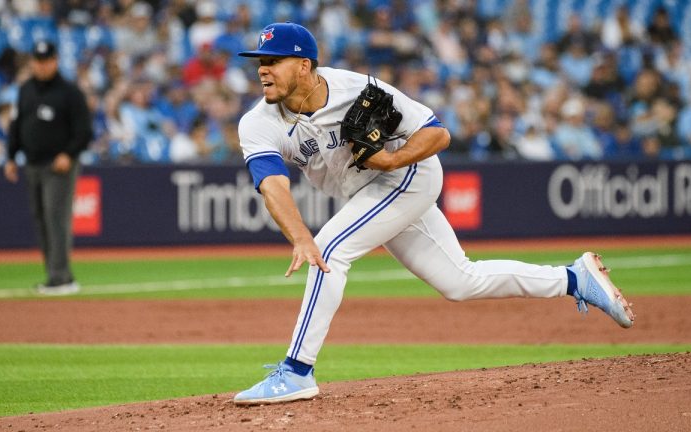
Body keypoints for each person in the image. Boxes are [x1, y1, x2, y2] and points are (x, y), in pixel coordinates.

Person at [232, 22, 635, 405]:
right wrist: (299, 237)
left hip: (409, 177)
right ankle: (574, 278)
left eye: (273, 60)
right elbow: (272, 184)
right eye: (260, 63)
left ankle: (297, 370)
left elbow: (438, 131)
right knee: (460, 281)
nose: (263, 70)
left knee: (330, 251)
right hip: (364, 193)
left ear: (304, 66)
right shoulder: (258, 123)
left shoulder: (356, 88)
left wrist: (393, 160)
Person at [4, 41, 92, 295]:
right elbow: (16, 124)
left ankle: (62, 277)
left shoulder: (70, 92)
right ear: (32, 62)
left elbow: (84, 131)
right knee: (41, 219)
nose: (41, 66)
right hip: (32, 163)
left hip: (59, 165)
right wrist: (11, 156)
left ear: (55, 61)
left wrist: (69, 154)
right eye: (38, 61)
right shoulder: (25, 90)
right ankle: (52, 274)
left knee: (56, 218)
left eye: (46, 61)